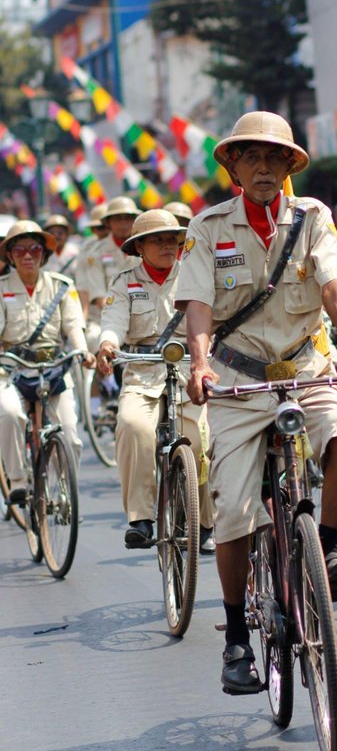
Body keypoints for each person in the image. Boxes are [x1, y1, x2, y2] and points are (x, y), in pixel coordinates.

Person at [175, 111, 337, 694]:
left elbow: (336, 288)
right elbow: (199, 306)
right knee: (233, 512)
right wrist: (200, 364)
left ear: (289, 166)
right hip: (236, 381)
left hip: (309, 367)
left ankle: (326, 552)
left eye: (274, 158)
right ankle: (237, 637)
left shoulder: (314, 218)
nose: (263, 167)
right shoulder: (208, 227)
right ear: (232, 165)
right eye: (250, 157)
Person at [96, 209, 214, 552]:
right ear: (139, 247)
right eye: (157, 240)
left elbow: (213, 319)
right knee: (133, 425)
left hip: (191, 368)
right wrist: (107, 344)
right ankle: (141, 518)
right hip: (142, 370)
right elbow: (113, 319)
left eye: (172, 239)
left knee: (200, 442)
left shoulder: (195, 274)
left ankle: (205, 522)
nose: (167, 246)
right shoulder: (124, 281)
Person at [0, 220, 95, 503]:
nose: (27, 256)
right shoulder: (2, 288)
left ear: (44, 254)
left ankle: (64, 486)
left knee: (70, 434)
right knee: (9, 413)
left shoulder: (62, 287)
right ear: (10, 256)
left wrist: (83, 351)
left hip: (54, 368)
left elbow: (74, 327)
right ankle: (17, 478)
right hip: (10, 369)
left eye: (34, 249)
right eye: (19, 250)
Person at [80, 196, 141, 316]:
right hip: (107, 315)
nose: (123, 224)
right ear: (108, 223)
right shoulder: (95, 253)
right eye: (118, 219)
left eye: (128, 218)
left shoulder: (146, 248)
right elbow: (99, 297)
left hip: (144, 316)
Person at [75, 202, 109, 353]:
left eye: (105, 227)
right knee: (93, 341)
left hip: (136, 314)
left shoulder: (132, 246)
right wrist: (81, 323)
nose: (102, 232)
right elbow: (83, 289)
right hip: (99, 315)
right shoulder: (88, 251)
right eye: (98, 228)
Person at [43, 214, 80, 279]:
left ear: (66, 234)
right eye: (52, 233)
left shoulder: (76, 251)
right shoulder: (42, 254)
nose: (56, 236)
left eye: (60, 233)